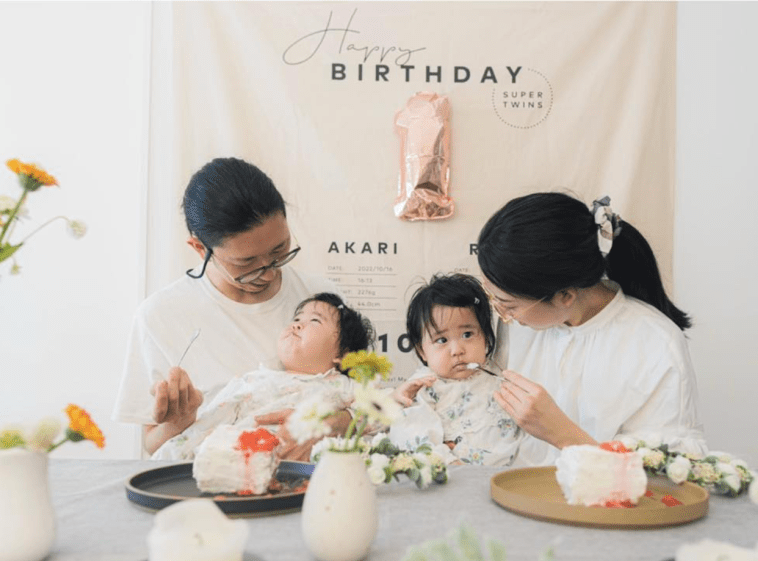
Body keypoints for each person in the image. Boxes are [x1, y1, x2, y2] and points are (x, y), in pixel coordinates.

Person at [113, 157, 344, 456]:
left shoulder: (322, 300)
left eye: (279, 250)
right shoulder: (160, 316)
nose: (269, 273)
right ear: (199, 248)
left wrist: (329, 424)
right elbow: (152, 445)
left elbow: (371, 406)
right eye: (246, 263)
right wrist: (179, 423)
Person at [475, 192, 704, 465]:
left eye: (509, 305)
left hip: (603, 493)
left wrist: (562, 434)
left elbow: (666, 473)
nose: (503, 315)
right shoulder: (520, 327)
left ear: (565, 296)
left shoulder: (656, 345)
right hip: (507, 486)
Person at [152, 293, 375, 460]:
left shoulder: (343, 386)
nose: (297, 324)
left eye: (315, 321)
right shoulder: (253, 379)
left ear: (343, 355)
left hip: (290, 462)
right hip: (226, 455)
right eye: (297, 318)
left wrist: (345, 421)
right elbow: (212, 418)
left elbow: (380, 413)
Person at [390, 273, 525, 467]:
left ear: (486, 338)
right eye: (442, 340)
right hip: (453, 475)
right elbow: (412, 434)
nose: (457, 350)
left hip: (509, 475)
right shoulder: (424, 386)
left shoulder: (499, 375)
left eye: (467, 334)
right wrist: (448, 462)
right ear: (422, 351)